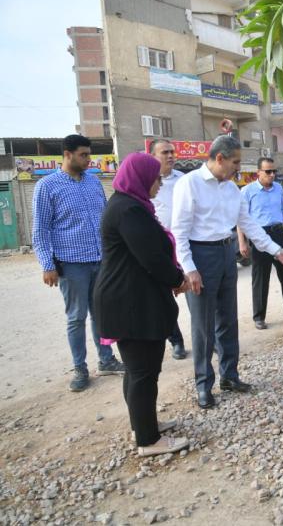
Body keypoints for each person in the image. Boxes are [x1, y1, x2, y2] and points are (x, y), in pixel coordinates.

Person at [171, 136, 283, 409]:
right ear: (219, 158)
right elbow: (179, 231)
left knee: (228, 320)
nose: (239, 168)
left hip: (225, 254)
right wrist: (189, 268)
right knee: (203, 326)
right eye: (235, 162)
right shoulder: (189, 184)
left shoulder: (231, 190)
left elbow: (250, 226)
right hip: (200, 256)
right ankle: (203, 385)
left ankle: (230, 376)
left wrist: (278, 251)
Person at [93, 153, 190, 457]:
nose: (160, 183)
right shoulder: (128, 210)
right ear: (142, 178)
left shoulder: (128, 205)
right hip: (129, 303)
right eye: (157, 177)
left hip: (130, 299)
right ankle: (148, 441)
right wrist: (178, 279)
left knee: (139, 370)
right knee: (142, 371)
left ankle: (143, 425)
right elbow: (152, 258)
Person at [32, 134, 125, 393]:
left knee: (101, 313)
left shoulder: (94, 182)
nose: (88, 159)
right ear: (67, 154)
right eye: (83, 155)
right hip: (71, 264)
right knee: (76, 317)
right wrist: (47, 264)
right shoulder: (47, 186)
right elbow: (41, 230)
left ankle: (106, 359)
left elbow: (106, 219)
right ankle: (80, 368)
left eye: (89, 154)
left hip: (100, 260)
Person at [238, 157, 283, 330]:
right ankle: (259, 317)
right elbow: (241, 219)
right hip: (259, 237)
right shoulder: (247, 191)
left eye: (274, 172)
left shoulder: (278, 189)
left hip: (278, 233)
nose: (272, 175)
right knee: (260, 279)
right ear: (258, 172)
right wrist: (242, 242)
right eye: (268, 171)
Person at [149, 139, 187, 360]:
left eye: (172, 152)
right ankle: (176, 340)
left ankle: (206, 339)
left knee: (195, 292)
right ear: (153, 155)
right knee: (165, 298)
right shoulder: (148, 181)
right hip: (160, 248)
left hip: (184, 245)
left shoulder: (183, 180)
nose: (171, 156)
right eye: (165, 152)